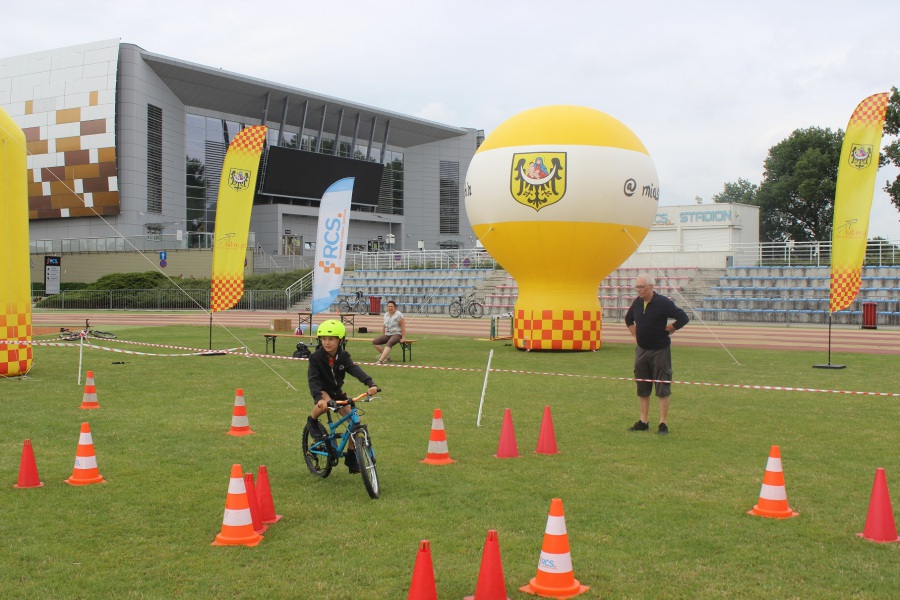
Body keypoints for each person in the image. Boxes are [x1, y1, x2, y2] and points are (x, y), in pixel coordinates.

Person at [306, 319, 379, 473]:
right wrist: (318, 398)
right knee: (325, 403)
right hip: (322, 391)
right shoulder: (316, 358)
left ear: (340, 340)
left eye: (331, 339)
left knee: (355, 424)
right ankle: (312, 422)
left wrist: (370, 383)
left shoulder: (343, 356)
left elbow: (354, 369)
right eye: (323, 339)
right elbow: (313, 380)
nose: (327, 343)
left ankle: (352, 458)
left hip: (336, 391)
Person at [624, 275, 689, 435]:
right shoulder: (637, 303)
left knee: (662, 386)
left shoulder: (663, 303)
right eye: (637, 287)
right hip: (641, 351)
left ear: (651, 287)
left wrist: (671, 328)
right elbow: (628, 319)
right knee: (643, 386)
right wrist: (636, 336)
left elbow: (683, 317)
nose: (639, 290)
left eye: (642, 287)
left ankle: (662, 423)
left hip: (660, 351)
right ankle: (643, 421)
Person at [372, 300, 405, 364]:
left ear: (395, 307)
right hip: (387, 334)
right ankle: (387, 357)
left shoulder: (399, 315)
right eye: (388, 306)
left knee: (389, 343)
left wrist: (403, 337)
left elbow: (403, 326)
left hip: (396, 334)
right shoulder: (386, 314)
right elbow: (384, 326)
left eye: (391, 306)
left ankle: (380, 360)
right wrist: (383, 334)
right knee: (375, 342)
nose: (390, 308)